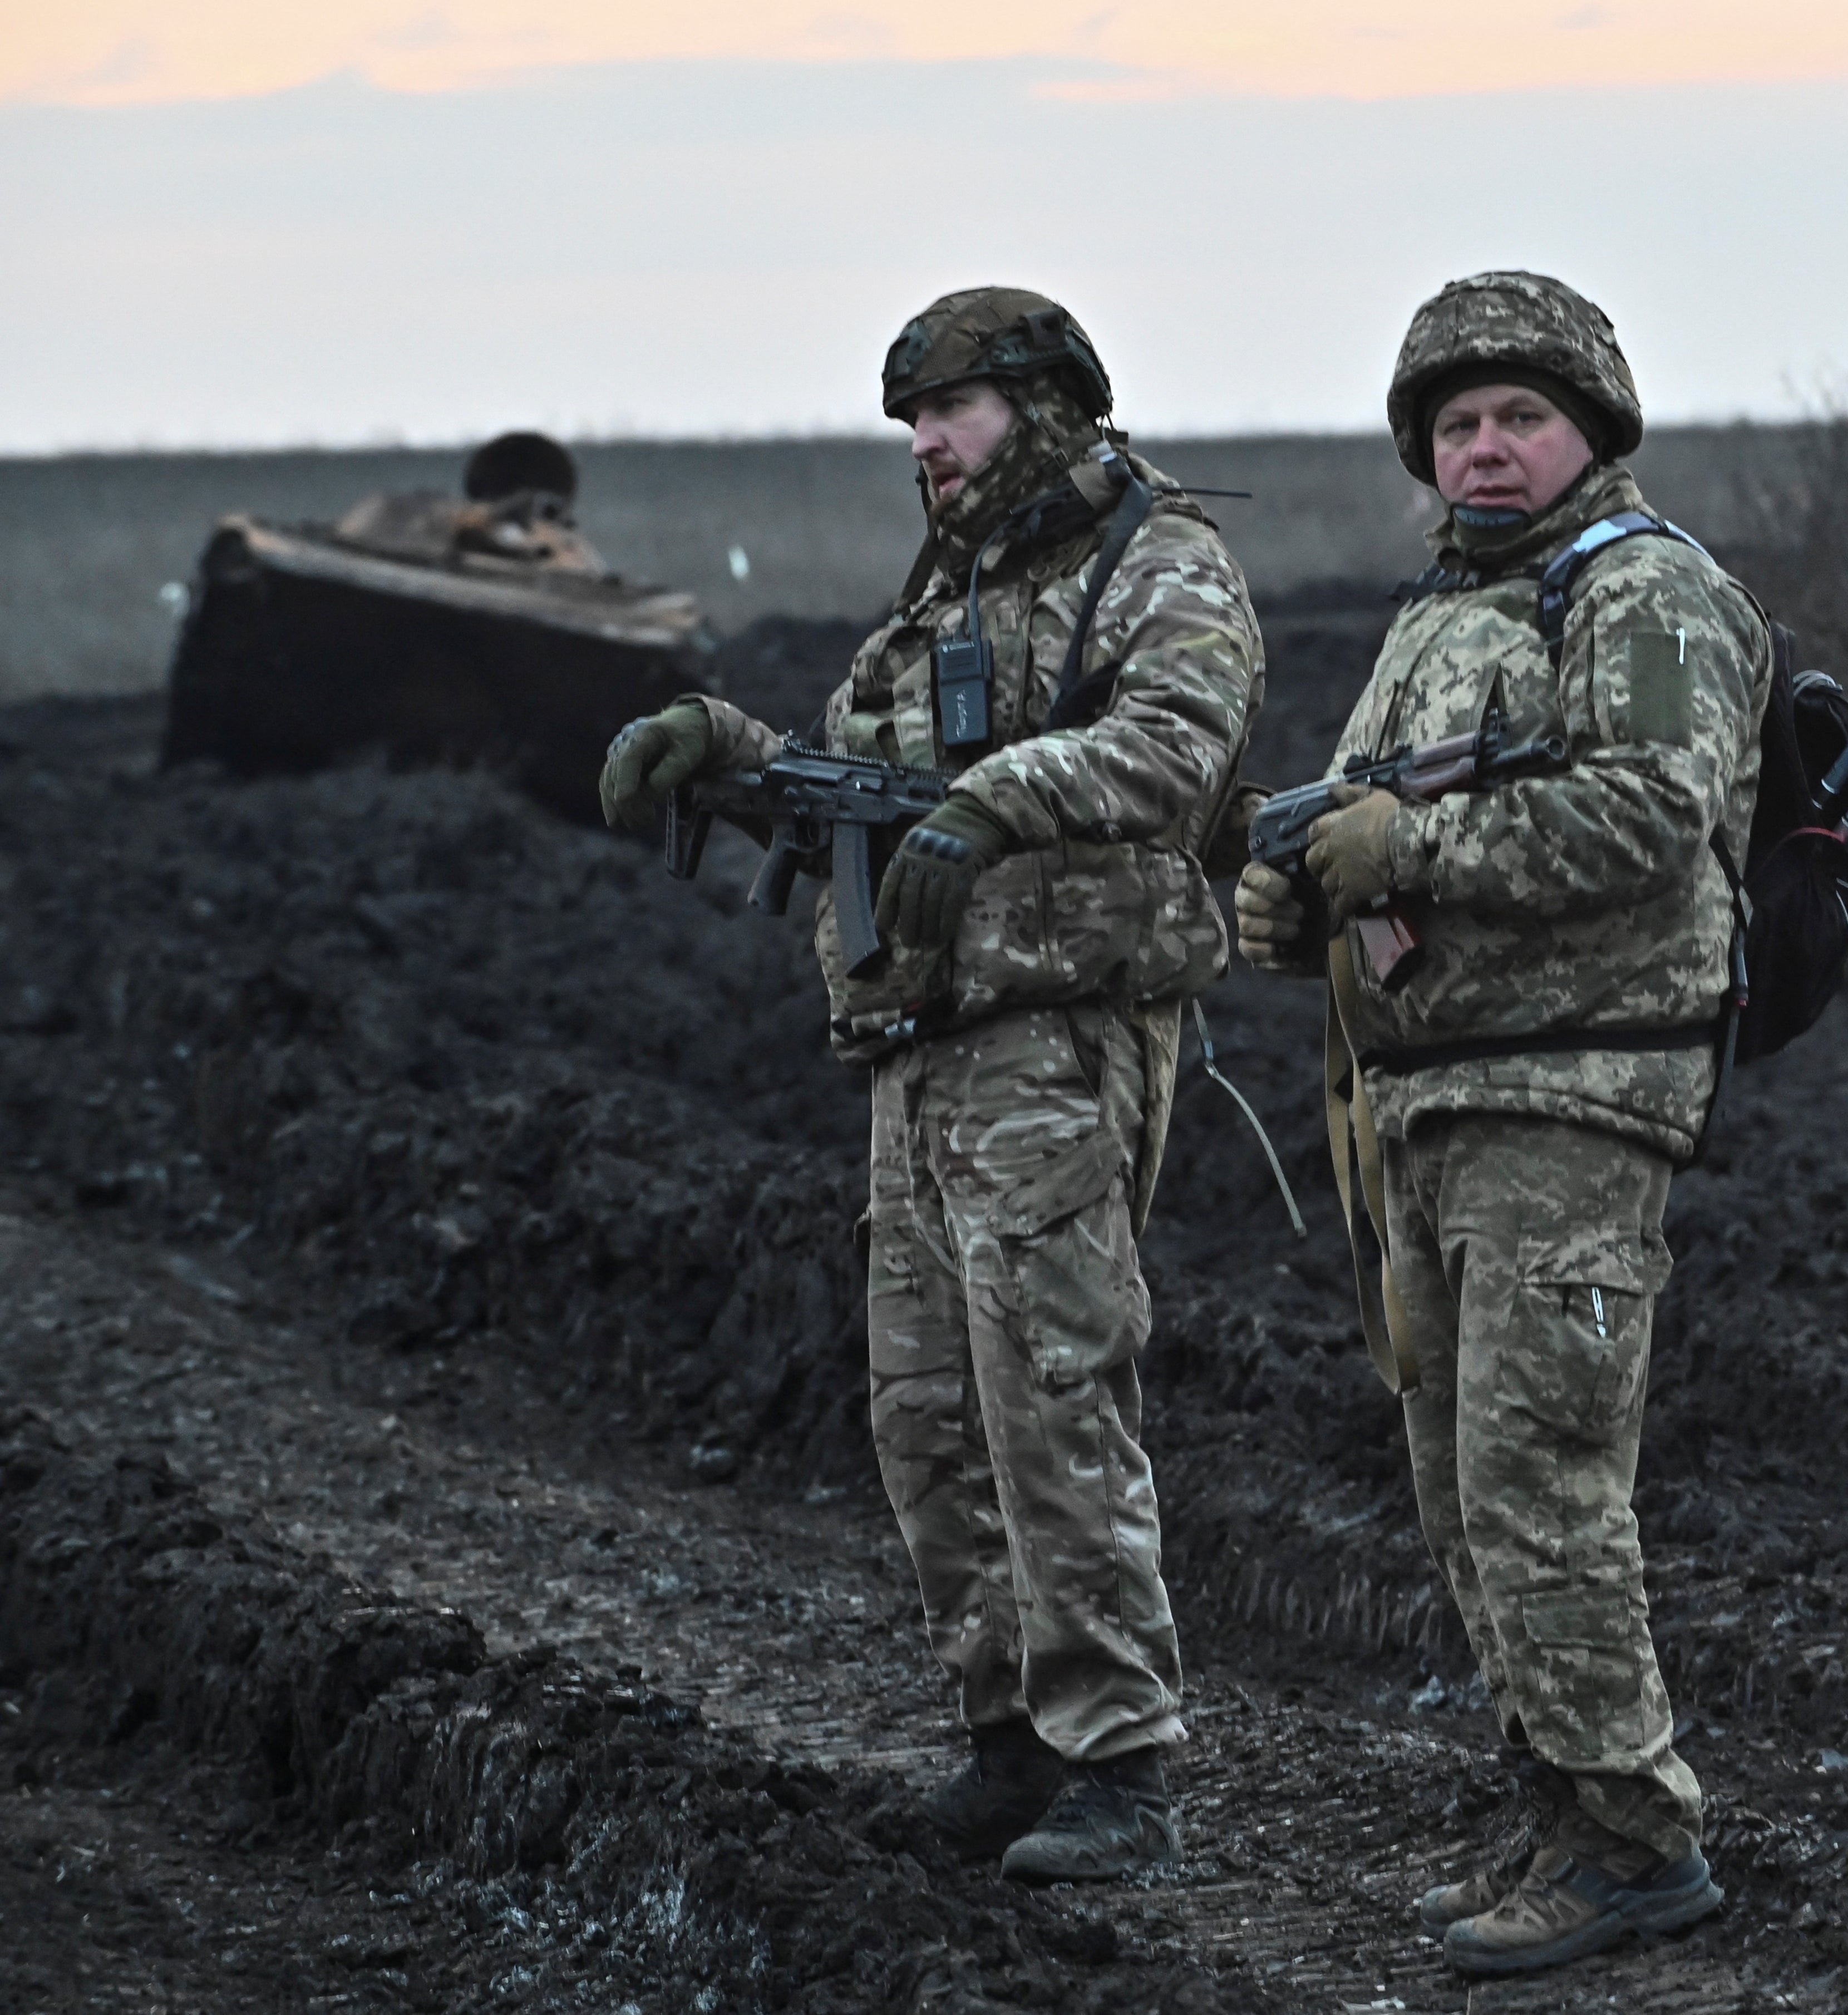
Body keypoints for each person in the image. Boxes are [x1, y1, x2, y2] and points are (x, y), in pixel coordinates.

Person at [598, 287, 1264, 1881]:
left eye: (948, 415)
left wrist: (995, 805)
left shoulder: (1155, 561)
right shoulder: (937, 601)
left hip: (1056, 1038)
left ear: (1040, 406)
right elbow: (869, 791)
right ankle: (1009, 1741)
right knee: (926, 1420)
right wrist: (734, 752)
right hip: (915, 1057)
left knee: (1051, 1398)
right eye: (911, 423)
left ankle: (1121, 1762)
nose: (926, 449)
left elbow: (1177, 746)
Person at [1234, 270, 1764, 1973]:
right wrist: (1299, 900)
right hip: (1434, 1105)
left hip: (1568, 1096)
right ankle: (1561, 1808)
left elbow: (1648, 815)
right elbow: (1366, 834)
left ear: (1589, 430)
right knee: (1463, 1500)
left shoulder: (1643, 591)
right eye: (1454, 425)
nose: (1483, 449)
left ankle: (1633, 1842)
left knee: (1540, 1488)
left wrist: (1412, 855)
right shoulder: (1441, 614)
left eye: (1519, 417)